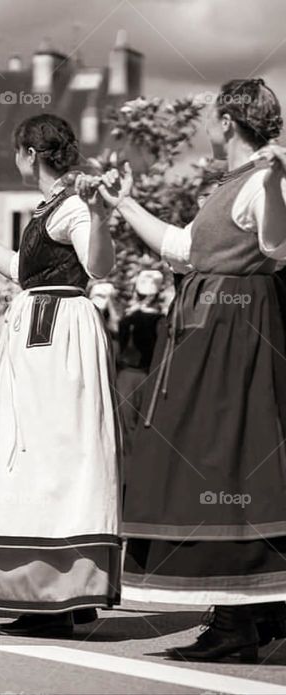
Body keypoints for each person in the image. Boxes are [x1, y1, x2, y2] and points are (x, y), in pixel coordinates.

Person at [104, 78, 286, 662]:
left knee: (223, 459)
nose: (207, 126)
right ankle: (251, 616)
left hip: (236, 340)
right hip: (207, 337)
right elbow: (183, 249)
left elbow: (280, 247)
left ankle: (239, 621)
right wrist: (126, 203)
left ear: (228, 122)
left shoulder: (263, 180)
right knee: (207, 458)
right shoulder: (231, 183)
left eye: (211, 116)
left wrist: (278, 184)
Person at [0, 114, 120, 636]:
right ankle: (66, 592)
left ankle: (56, 596)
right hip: (42, 330)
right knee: (42, 452)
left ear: (30, 153)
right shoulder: (52, 207)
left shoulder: (70, 205)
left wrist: (98, 215)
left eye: (17, 152)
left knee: (48, 452)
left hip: (55, 335)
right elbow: (20, 269)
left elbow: (99, 266)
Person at [115, 269, 164, 444]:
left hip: (128, 375)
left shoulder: (127, 319)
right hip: (150, 376)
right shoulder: (162, 321)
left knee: (125, 428)